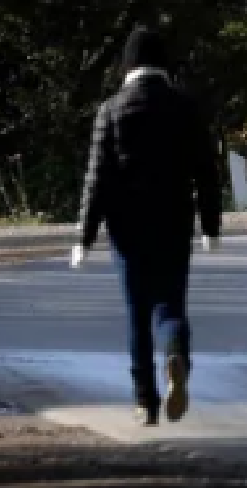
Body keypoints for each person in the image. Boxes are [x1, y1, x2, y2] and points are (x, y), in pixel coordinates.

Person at [73, 25, 224, 426]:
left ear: (128, 66)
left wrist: (83, 239)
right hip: (174, 222)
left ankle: (145, 401)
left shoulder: (111, 110)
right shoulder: (185, 107)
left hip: (127, 228)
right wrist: (211, 227)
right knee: (170, 304)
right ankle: (175, 354)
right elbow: (207, 173)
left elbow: (96, 179)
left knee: (136, 312)